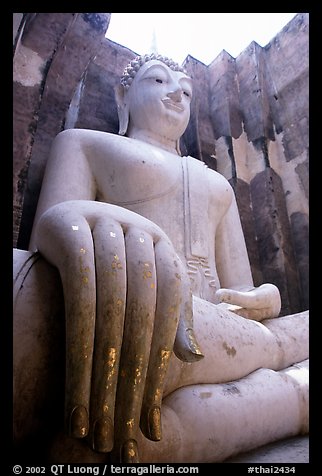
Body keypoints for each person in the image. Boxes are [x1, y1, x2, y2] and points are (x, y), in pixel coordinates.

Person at [21, 53, 308, 463]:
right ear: (123, 95)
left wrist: (265, 297)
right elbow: (39, 259)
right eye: (157, 81)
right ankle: (284, 382)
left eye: (187, 91)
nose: (176, 93)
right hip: (137, 312)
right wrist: (73, 223)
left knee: (279, 336)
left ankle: (187, 432)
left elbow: (241, 288)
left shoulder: (217, 185)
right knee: (270, 345)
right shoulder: (84, 144)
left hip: (226, 328)